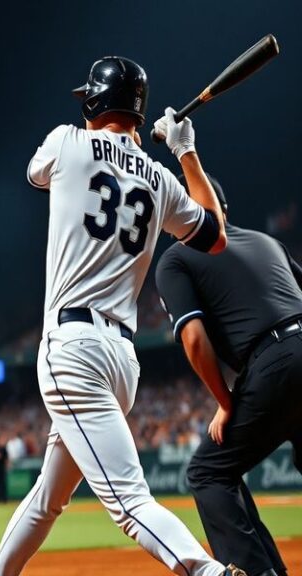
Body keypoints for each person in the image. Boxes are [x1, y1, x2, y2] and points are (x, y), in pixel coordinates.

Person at [0, 56, 246, 576]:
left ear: (96, 102)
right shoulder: (163, 181)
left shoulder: (67, 140)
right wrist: (185, 153)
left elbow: (36, 174)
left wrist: (118, 152)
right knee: (50, 496)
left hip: (72, 348)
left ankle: (208, 573)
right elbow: (216, 235)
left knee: (130, 502)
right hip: (122, 362)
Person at [156, 174, 302, 576]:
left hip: (273, 362)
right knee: (226, 470)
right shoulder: (266, 241)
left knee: (208, 472)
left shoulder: (176, 258)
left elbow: (194, 340)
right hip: (289, 350)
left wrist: (227, 401)